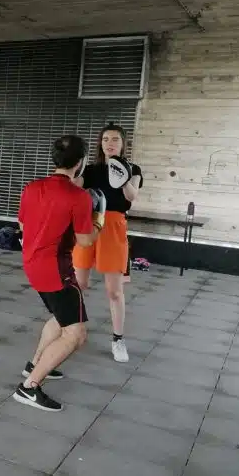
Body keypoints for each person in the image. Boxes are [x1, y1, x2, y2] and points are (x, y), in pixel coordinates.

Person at [14, 134, 104, 412]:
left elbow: (23, 224)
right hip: (56, 271)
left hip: (32, 265)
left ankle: (35, 363)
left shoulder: (31, 187)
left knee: (59, 316)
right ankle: (29, 387)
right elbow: (86, 241)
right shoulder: (78, 197)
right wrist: (99, 220)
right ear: (80, 163)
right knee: (75, 334)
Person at [73, 122, 143, 363]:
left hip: (114, 227)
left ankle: (118, 339)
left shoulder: (133, 169)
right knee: (79, 284)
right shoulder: (91, 169)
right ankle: (72, 329)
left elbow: (131, 197)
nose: (109, 143)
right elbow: (72, 187)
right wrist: (72, 168)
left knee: (114, 290)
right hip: (88, 224)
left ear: (123, 144)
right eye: (105, 139)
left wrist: (122, 177)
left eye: (114, 139)